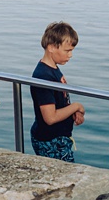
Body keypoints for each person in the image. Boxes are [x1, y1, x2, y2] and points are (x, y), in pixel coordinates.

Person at [29, 21, 85, 161]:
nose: (70, 55)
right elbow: (50, 117)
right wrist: (76, 106)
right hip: (51, 140)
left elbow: (59, 101)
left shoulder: (52, 69)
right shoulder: (44, 77)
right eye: (67, 50)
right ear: (51, 47)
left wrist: (73, 112)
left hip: (59, 136)